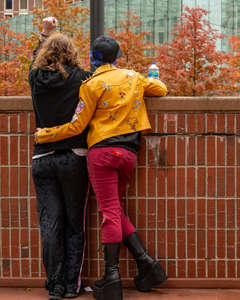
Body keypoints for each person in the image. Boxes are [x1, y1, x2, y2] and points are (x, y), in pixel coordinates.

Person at [35, 35, 168, 300]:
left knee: (108, 213)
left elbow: (77, 126)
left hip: (102, 154)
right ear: (117, 57)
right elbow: (161, 89)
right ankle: (147, 264)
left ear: (94, 58)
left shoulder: (91, 85)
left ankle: (112, 277)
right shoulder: (133, 77)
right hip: (129, 153)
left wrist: (45, 135)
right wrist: (152, 74)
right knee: (116, 209)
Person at [29, 18, 91, 300]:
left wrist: (45, 33)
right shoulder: (81, 78)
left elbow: (34, 61)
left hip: (42, 158)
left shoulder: (36, 78)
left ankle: (53, 285)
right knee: (74, 223)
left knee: (50, 223)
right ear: (72, 54)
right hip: (73, 158)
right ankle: (70, 285)